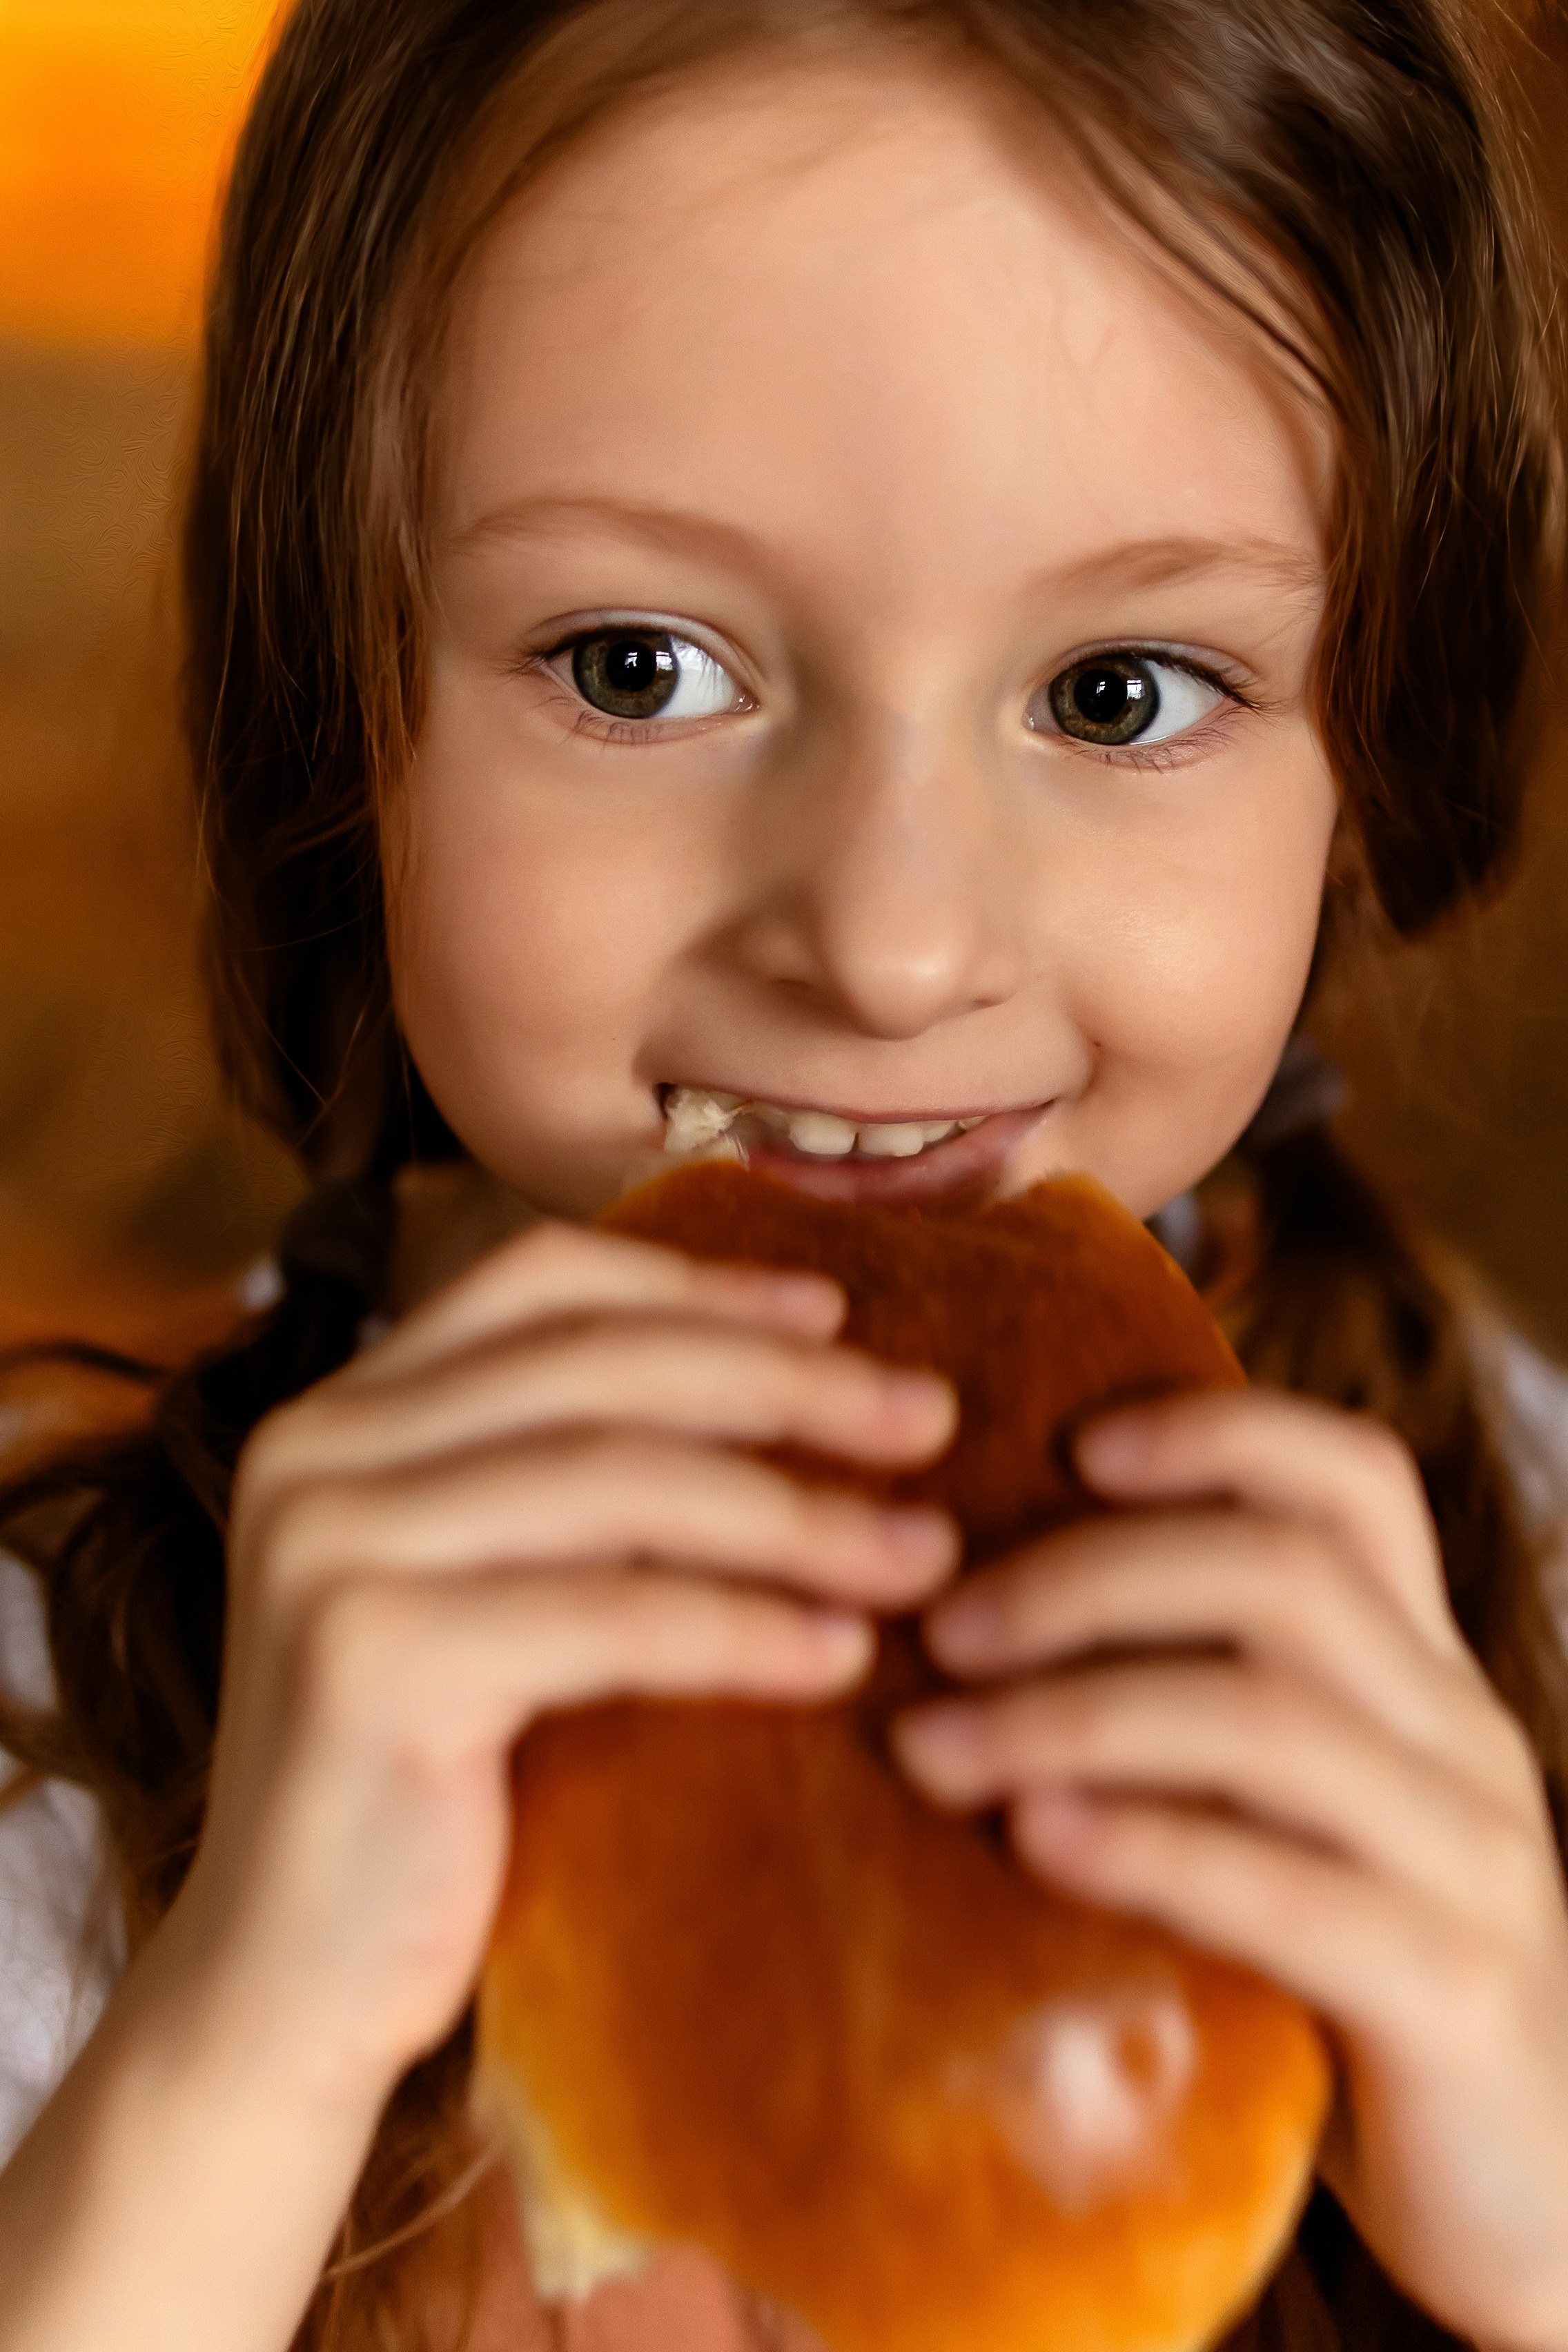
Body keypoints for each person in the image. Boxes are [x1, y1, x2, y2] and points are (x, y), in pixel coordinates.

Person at [2, 1, 1567, 2345]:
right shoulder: (37, 1745)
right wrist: (230, 2064)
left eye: (1122, 690)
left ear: (1377, 753)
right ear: (332, 707)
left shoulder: (1537, 1581)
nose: (893, 939)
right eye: (636, 666)